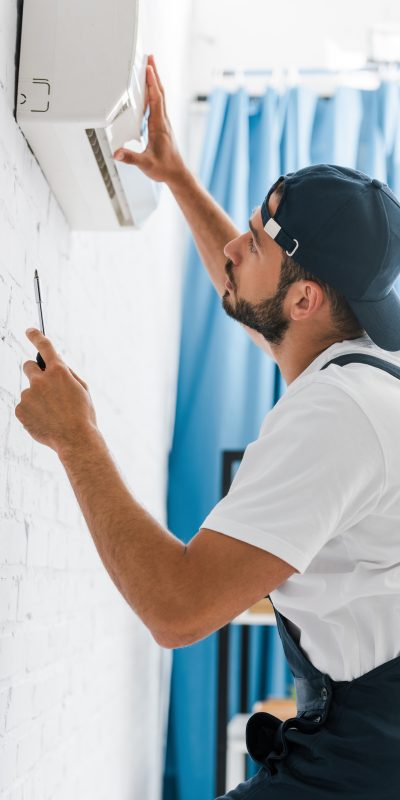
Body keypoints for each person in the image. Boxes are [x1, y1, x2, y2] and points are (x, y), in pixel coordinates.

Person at [16, 55, 400, 798]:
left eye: (254, 240)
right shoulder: (360, 365)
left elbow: (178, 609)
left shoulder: (336, 415)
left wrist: (76, 438)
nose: (234, 246)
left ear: (307, 300)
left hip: (366, 767)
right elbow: (258, 304)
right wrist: (179, 179)